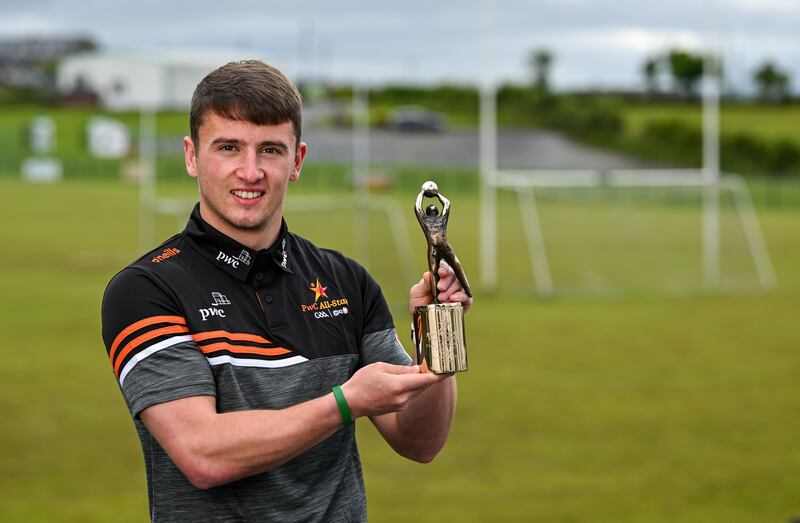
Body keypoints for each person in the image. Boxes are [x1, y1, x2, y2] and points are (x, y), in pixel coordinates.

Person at [101, 60, 472, 522]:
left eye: (270, 150)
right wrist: (344, 402)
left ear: (296, 161)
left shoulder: (346, 280)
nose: (250, 171)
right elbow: (203, 454)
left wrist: (438, 332)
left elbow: (420, 441)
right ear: (192, 155)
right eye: (229, 147)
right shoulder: (145, 290)